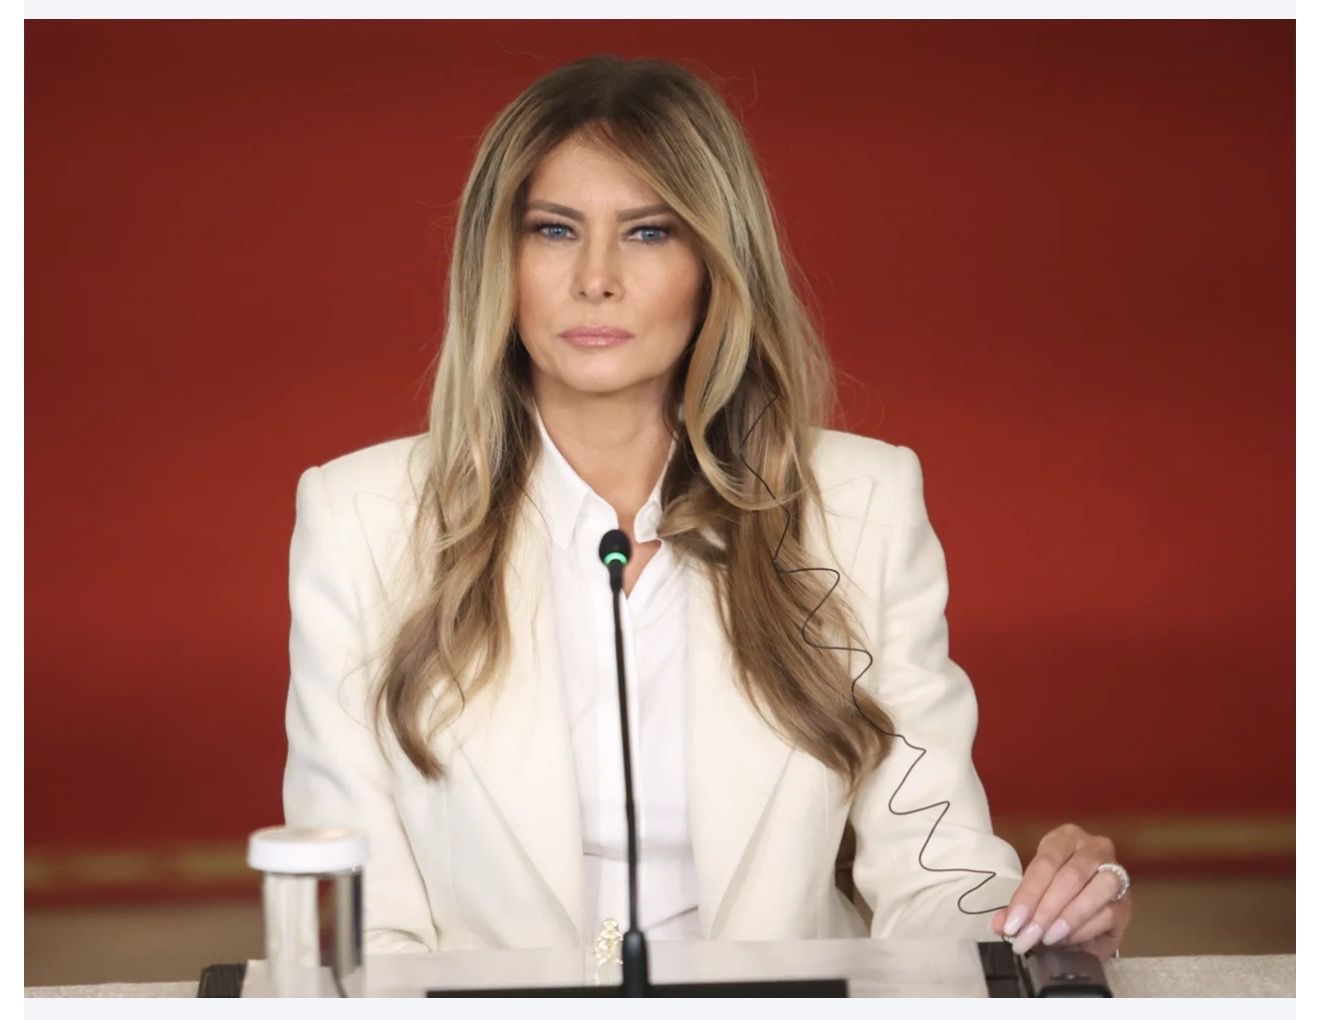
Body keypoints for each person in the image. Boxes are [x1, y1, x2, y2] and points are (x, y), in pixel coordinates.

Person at [282, 53, 1133, 961]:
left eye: (648, 232)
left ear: (716, 264)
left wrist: (1039, 924)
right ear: (499, 260)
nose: (597, 278)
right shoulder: (359, 519)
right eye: (555, 230)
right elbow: (362, 929)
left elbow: (935, 872)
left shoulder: (862, 506)